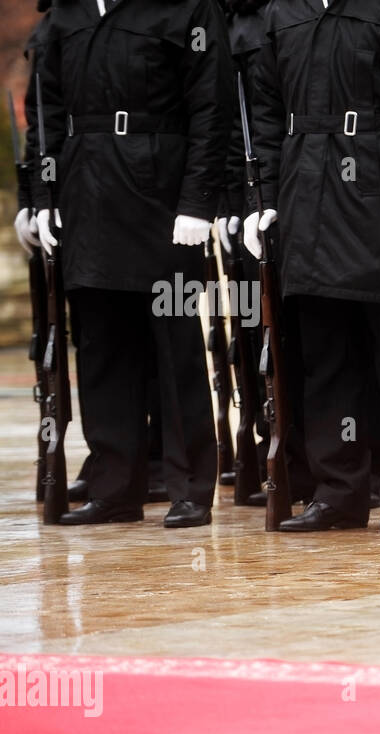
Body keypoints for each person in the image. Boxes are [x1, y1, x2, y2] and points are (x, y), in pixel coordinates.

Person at [244, 0, 380, 534]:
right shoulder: (282, 10)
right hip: (306, 198)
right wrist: (263, 198)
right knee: (326, 358)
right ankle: (339, 490)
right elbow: (266, 113)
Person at [34, 0, 232, 529]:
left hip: (161, 195)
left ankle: (190, 488)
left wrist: (199, 201)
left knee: (176, 351)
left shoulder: (188, 9)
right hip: (85, 193)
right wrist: (43, 196)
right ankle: (115, 487)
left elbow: (212, 111)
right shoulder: (64, 16)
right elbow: (46, 114)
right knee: (101, 349)